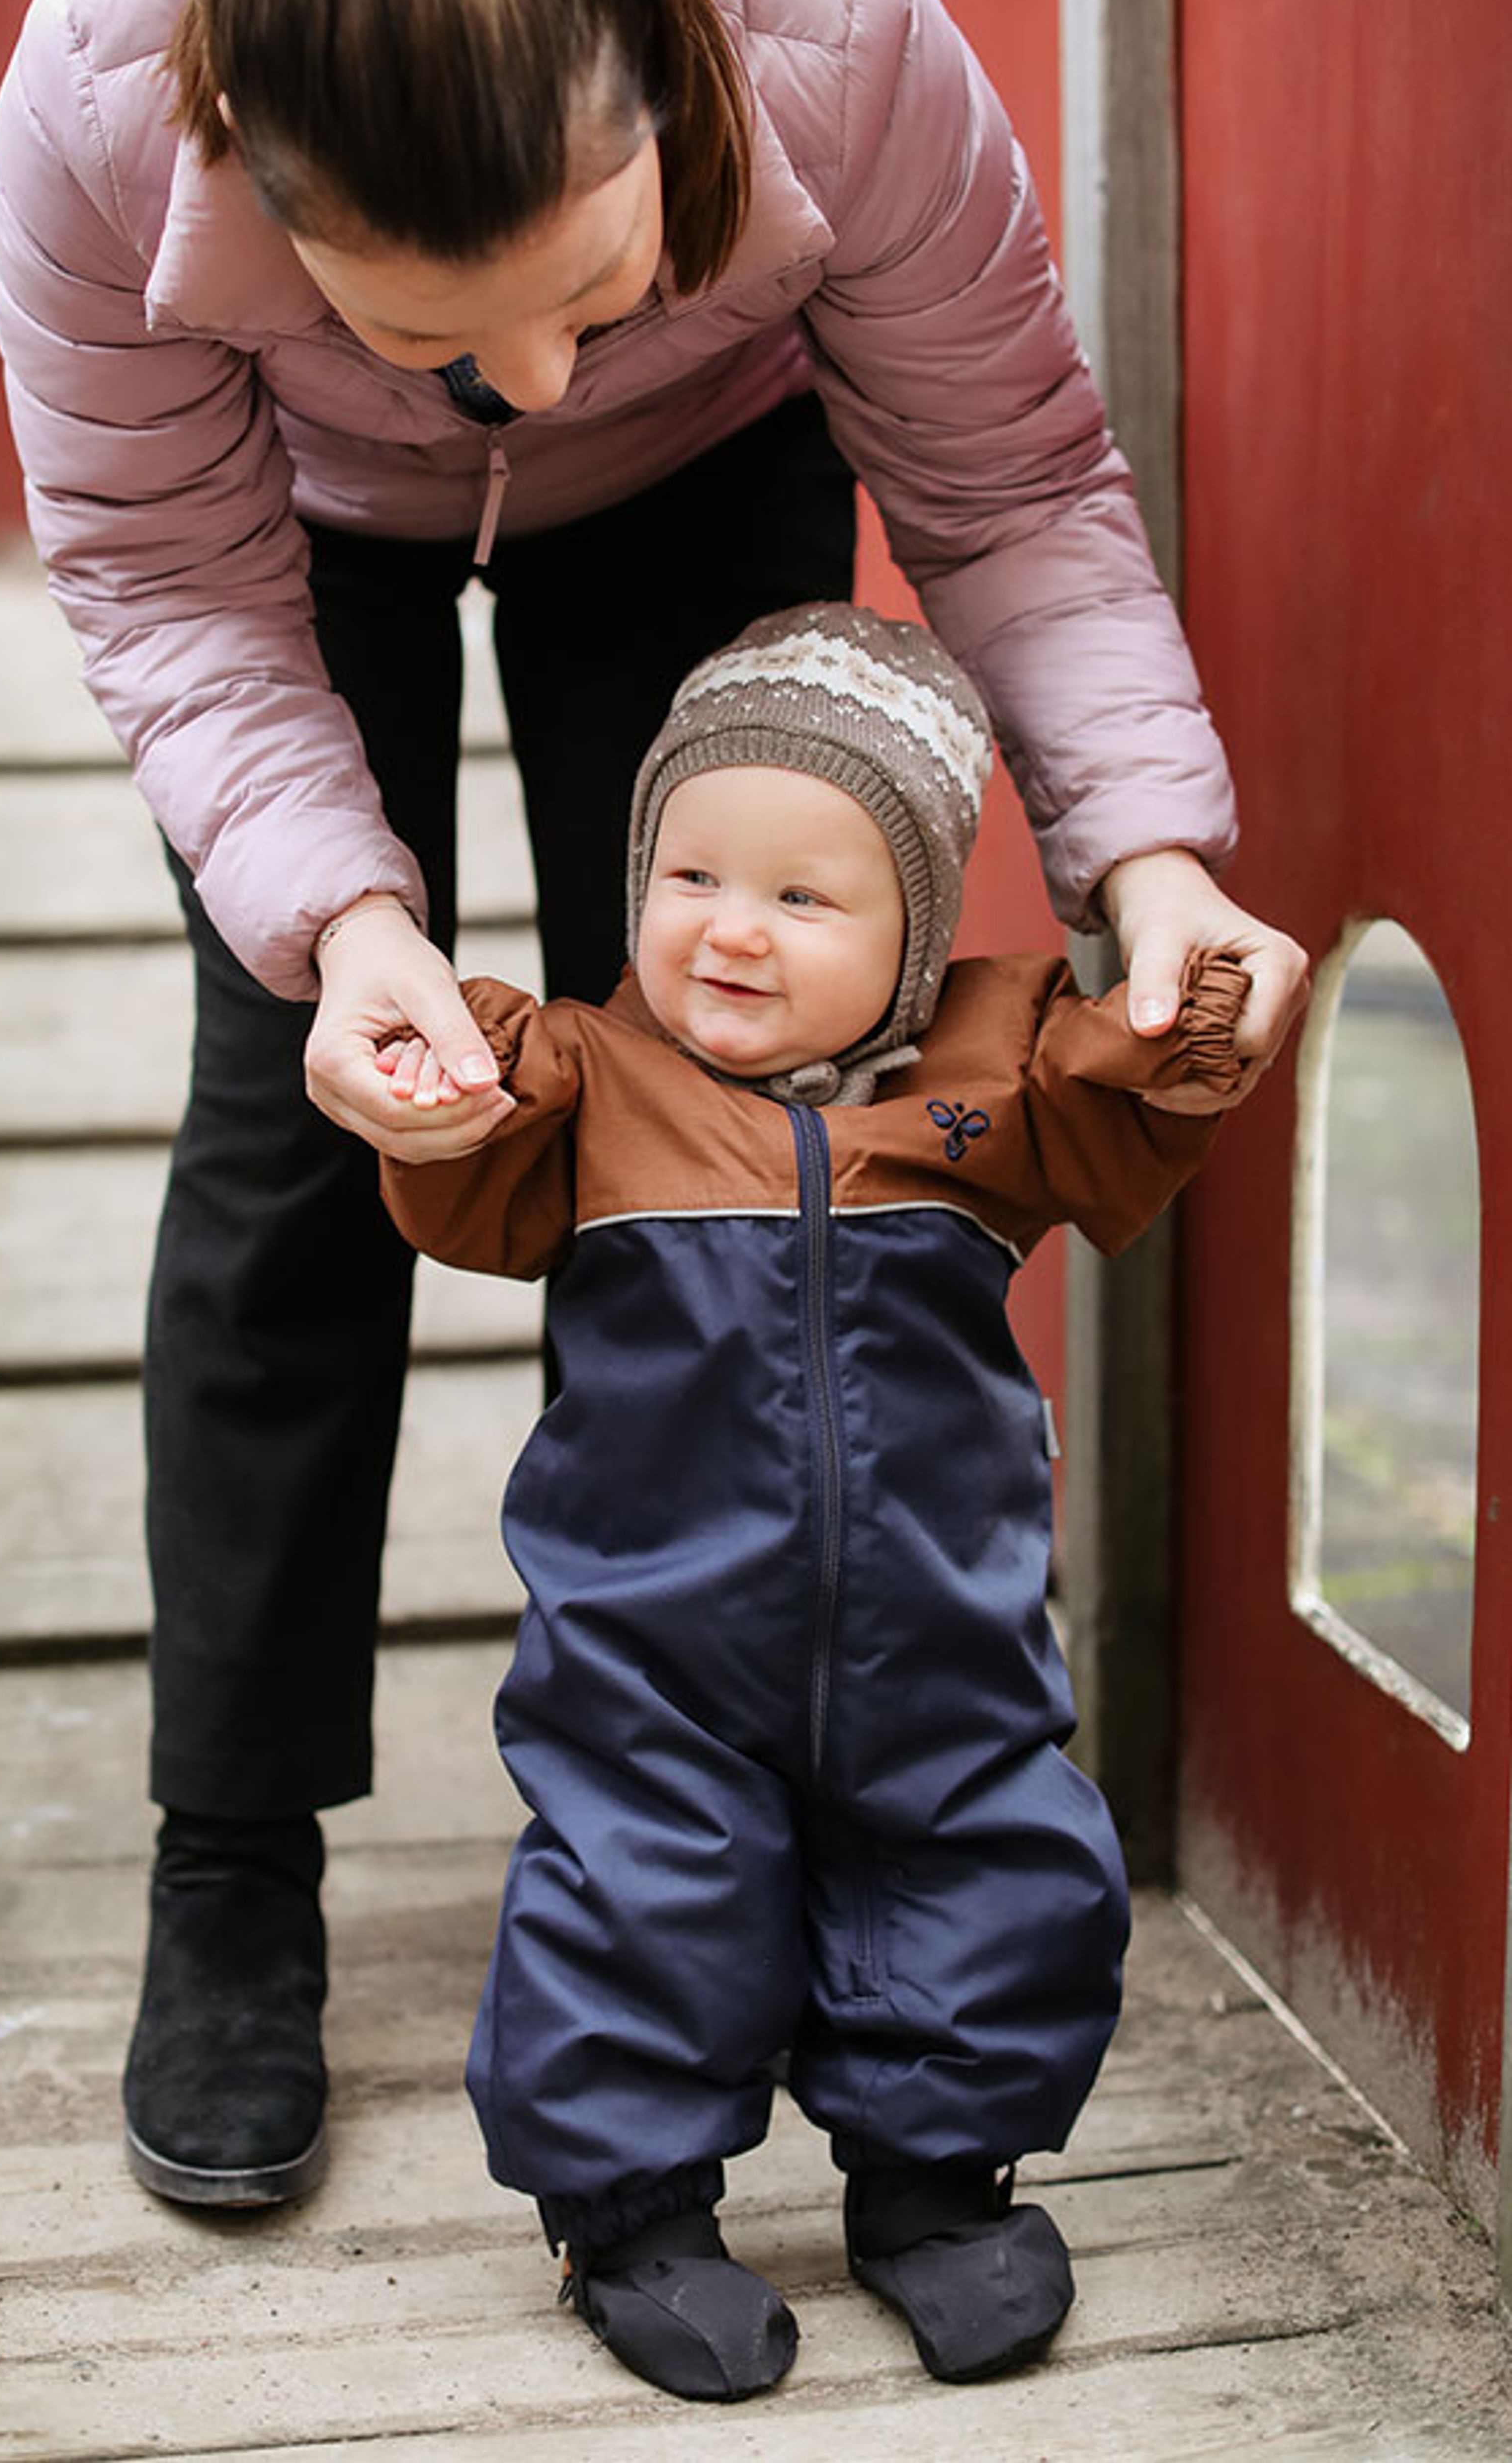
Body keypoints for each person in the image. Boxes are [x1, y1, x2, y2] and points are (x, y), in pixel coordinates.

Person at [0, 0, 1307, 2212]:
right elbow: (168, 589)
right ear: (242, 169)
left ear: (681, 75)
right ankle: (233, 1851)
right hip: (287, 530)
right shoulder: (104, 101)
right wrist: (355, 937)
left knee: (732, 1124)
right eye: (432, 317)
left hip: (705, 472)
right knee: (293, 1147)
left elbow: (1008, 487)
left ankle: (754, 1817)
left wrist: (1154, 867)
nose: (522, 375)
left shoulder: (831, 26)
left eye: (591, 271)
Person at [377, 603, 1251, 2402]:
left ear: (922, 939)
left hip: (939, 1621)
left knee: (985, 1867)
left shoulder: (995, 1072)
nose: (730, 929)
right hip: (655, 1640)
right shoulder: (590, 1079)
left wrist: (1184, 1023)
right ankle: (625, 2215)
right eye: (692, 871)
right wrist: (429, 1096)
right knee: (641, 1885)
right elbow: (464, 1198)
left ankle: (937, 2184)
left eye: (804, 895)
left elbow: (1136, 1117)